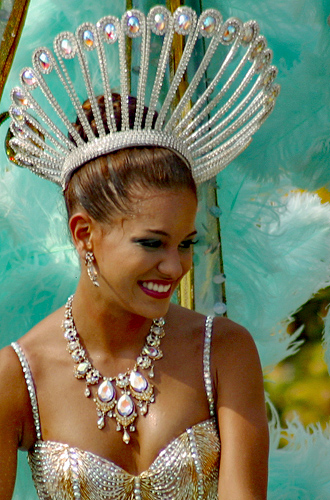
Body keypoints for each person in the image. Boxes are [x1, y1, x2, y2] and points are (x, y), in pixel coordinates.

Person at [0, 6, 278, 499]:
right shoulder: (19, 376)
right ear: (84, 233)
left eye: (187, 243)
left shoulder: (225, 353)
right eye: (152, 243)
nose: (175, 268)